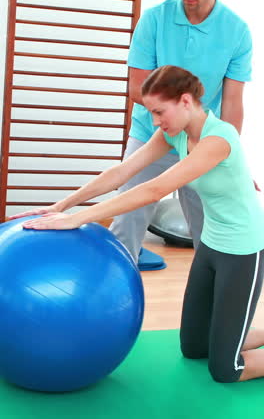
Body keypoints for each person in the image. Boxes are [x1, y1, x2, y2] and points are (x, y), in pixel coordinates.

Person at [11, 65, 264, 383]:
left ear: (185, 101)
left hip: (243, 251)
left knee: (226, 369)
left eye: (160, 112)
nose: (156, 121)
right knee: (194, 347)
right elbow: (122, 172)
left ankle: (230, 340)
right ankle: (230, 335)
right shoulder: (176, 133)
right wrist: (61, 206)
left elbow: (155, 189)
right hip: (212, 245)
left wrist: (79, 219)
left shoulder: (219, 138)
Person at [109, 0, 253, 269]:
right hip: (152, 134)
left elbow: (232, 103)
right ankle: (114, 304)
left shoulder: (237, 31)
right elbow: (136, 87)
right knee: (125, 223)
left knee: (212, 234)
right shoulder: (154, 19)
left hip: (201, 141)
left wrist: (230, 157)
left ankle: (212, 300)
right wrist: (174, 115)